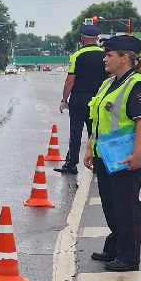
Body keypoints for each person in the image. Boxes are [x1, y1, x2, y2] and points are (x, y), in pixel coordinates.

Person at [83, 33, 141, 272]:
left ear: (125, 58)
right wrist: (90, 147)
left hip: (126, 157)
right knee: (111, 205)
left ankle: (129, 256)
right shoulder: (109, 83)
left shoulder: (138, 86)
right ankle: (114, 247)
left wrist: (137, 155)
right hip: (106, 155)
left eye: (109, 55)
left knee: (127, 208)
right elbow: (98, 119)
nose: (105, 59)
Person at [56, 22, 107, 173]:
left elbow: (70, 80)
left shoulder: (77, 55)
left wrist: (64, 99)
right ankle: (98, 165)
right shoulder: (105, 55)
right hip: (98, 99)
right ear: (97, 38)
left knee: (75, 132)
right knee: (96, 132)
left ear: (82, 39)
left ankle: (71, 164)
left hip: (79, 99)